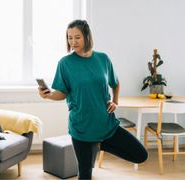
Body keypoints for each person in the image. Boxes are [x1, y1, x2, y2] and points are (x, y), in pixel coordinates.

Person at [38, 19, 148, 179]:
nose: (73, 41)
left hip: (106, 124)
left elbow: (115, 83)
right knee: (85, 175)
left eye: (77, 37)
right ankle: (94, 145)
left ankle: (100, 144)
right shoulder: (65, 63)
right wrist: (48, 95)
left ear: (87, 36)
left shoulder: (103, 59)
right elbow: (62, 92)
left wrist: (115, 101)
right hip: (81, 128)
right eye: (69, 38)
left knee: (140, 155)